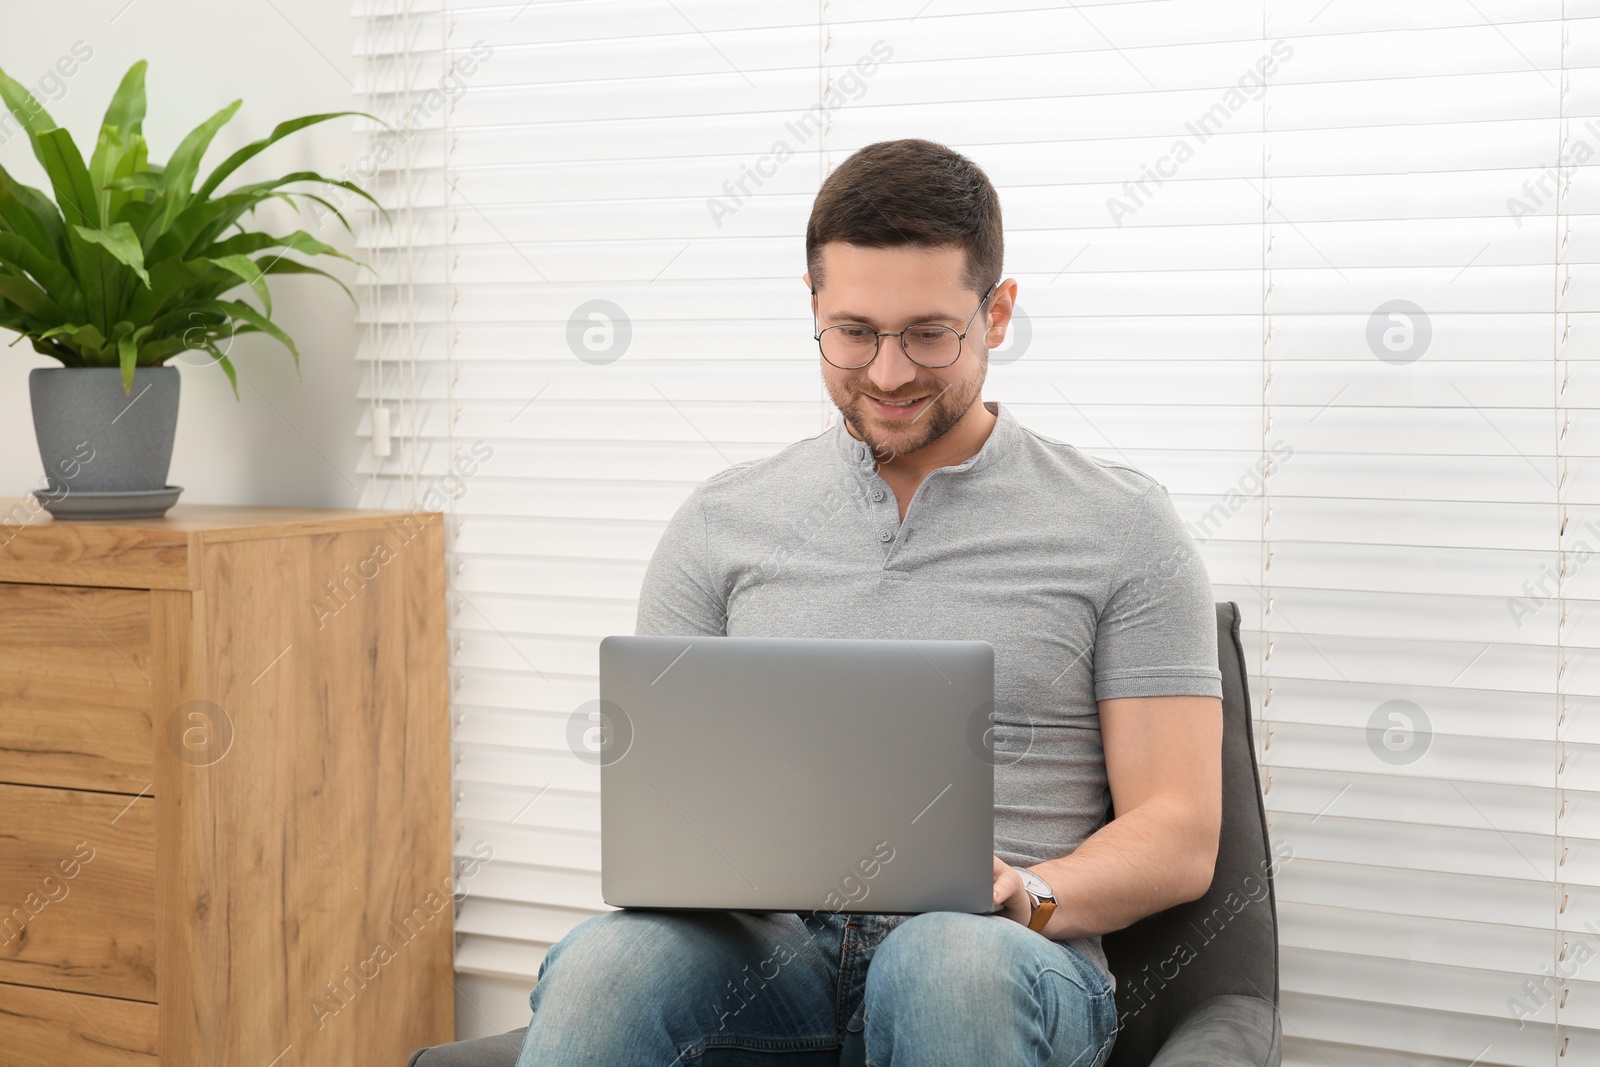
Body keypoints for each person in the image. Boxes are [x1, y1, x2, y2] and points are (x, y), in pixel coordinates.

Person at [516, 137, 1223, 1067]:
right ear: (812, 307)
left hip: (996, 955)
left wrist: (1032, 893)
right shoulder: (721, 522)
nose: (888, 374)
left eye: (930, 333)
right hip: (773, 954)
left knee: (943, 957)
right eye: (853, 332)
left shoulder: (1121, 524)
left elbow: (1179, 830)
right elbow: (672, 812)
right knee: (609, 960)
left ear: (998, 313)